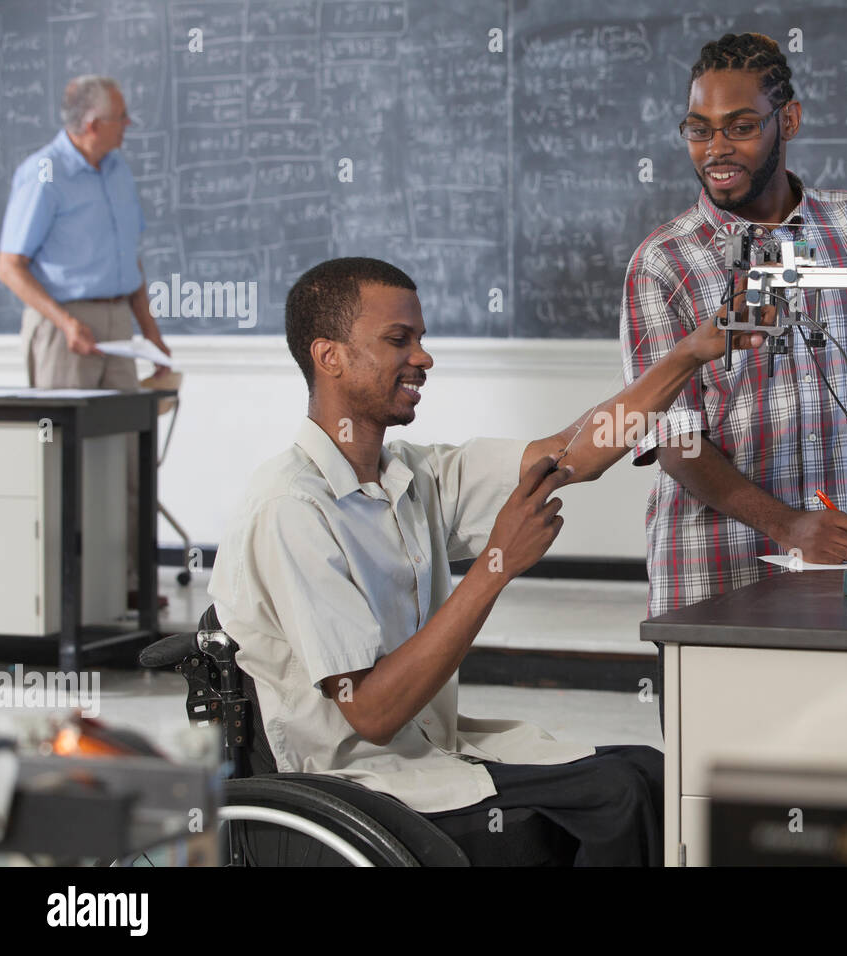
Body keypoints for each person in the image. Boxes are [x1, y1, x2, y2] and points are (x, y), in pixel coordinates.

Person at [207, 257, 768, 866]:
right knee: (620, 798)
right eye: (399, 341)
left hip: (429, 754)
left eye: (420, 339)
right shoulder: (291, 508)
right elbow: (371, 711)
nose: (423, 357)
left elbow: (570, 454)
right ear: (329, 356)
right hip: (356, 786)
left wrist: (690, 354)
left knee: (651, 772)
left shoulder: (410, 474)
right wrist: (497, 563)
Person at [620, 33, 847, 620]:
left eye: (740, 127)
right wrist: (789, 526)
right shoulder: (663, 261)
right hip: (713, 574)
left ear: (787, 120)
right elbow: (674, 438)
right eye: (699, 129)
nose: (716, 148)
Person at [0, 75, 171, 608]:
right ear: (94, 125)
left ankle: (131, 583)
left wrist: (153, 337)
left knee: (130, 457)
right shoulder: (43, 175)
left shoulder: (117, 169)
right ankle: (65, 591)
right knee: (65, 462)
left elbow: (130, 260)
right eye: (122, 118)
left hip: (118, 323)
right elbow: (11, 266)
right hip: (64, 329)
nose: (129, 127)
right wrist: (65, 322)